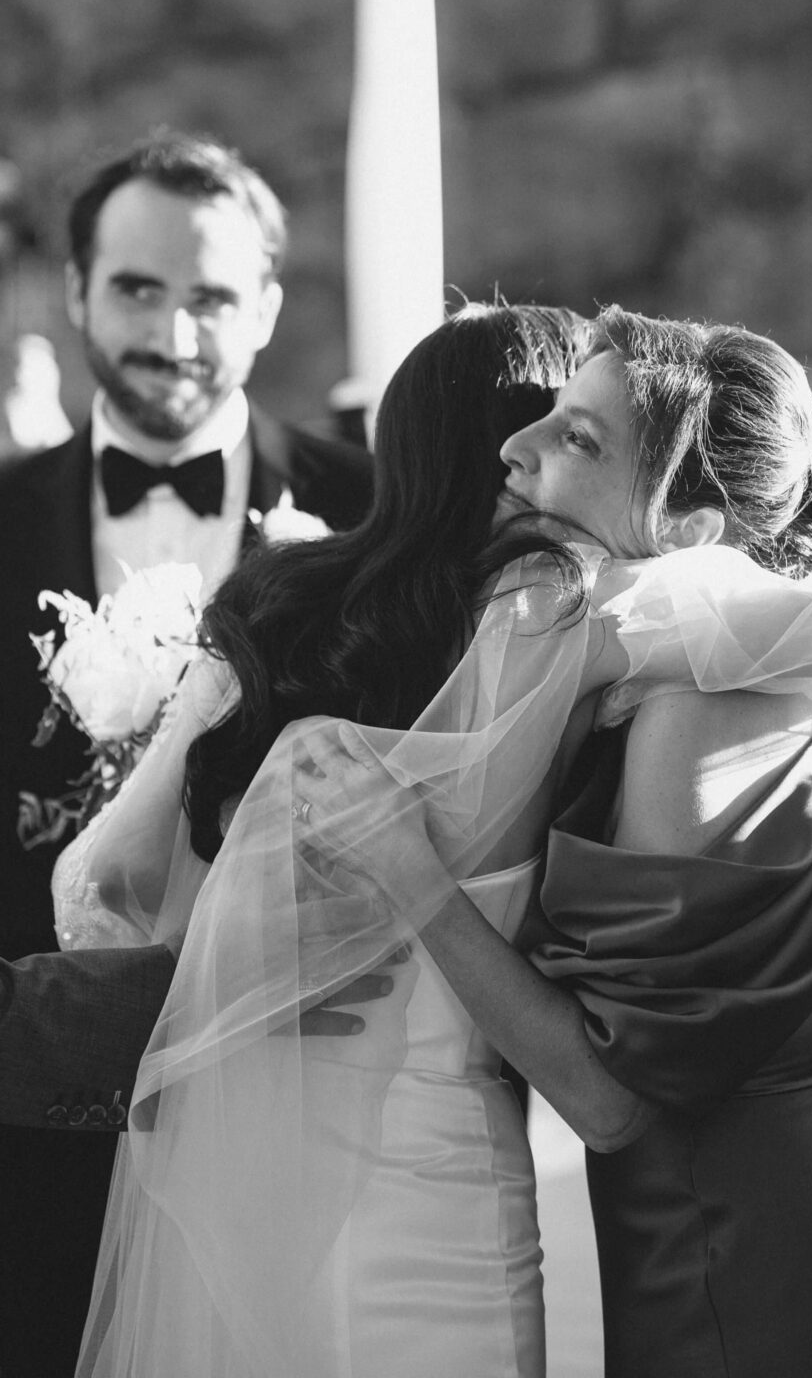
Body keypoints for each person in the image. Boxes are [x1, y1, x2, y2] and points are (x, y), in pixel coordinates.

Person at [57, 306, 812, 1377]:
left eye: (576, 437)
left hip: (268, 1182)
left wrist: (238, 959)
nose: (527, 451)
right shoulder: (575, 626)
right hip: (463, 1179)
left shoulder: (290, 612)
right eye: (542, 422)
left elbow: (101, 883)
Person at [0, 129, 374, 1378]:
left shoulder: (368, 515)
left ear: (267, 307)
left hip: (299, 1103)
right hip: (29, 1116)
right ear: (75, 292)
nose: (172, 334)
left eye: (211, 296)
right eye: (138, 290)